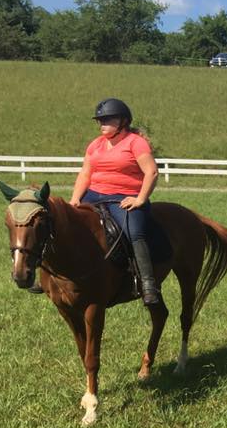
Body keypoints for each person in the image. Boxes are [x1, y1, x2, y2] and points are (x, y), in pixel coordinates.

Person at [69, 98, 161, 305]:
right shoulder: (95, 144)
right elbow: (85, 173)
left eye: (108, 120)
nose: (102, 124)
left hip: (123, 197)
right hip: (93, 194)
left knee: (134, 232)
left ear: (123, 121)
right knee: (63, 222)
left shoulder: (136, 143)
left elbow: (152, 172)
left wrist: (140, 199)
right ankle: (53, 277)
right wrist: (75, 199)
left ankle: (147, 283)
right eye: (100, 120)